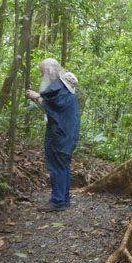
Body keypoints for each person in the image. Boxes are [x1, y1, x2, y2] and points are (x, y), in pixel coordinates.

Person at [26, 58, 80, 212]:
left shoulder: (59, 88)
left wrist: (36, 97)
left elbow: (51, 108)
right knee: (63, 164)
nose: (41, 76)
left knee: (57, 166)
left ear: (49, 72)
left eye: (42, 73)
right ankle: (64, 198)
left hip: (61, 133)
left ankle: (57, 201)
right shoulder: (63, 86)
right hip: (67, 132)